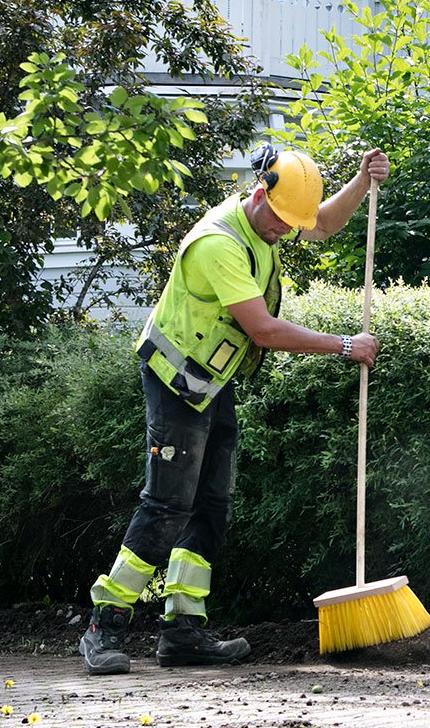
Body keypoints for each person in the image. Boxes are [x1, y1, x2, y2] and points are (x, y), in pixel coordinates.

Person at [79, 146, 390, 674]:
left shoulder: (273, 219)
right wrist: (343, 345)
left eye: (292, 225)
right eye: (280, 222)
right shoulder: (218, 244)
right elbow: (263, 331)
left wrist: (361, 180)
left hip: (212, 381)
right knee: (167, 504)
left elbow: (325, 223)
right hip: (175, 380)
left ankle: (182, 632)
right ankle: (104, 625)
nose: (285, 233)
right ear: (258, 192)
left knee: (211, 507)